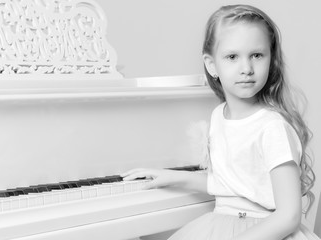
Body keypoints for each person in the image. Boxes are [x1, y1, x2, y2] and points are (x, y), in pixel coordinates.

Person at [121, 4, 320, 240]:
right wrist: (172, 176)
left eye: (257, 55)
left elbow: (288, 216)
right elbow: (231, 184)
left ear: (271, 59)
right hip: (221, 223)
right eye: (232, 57)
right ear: (211, 64)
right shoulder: (219, 115)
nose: (246, 68)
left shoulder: (272, 127)